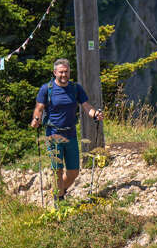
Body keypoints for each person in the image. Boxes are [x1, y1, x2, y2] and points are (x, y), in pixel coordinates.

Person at [30, 58, 103, 203]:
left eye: (66, 72)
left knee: (74, 172)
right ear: (55, 72)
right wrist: (36, 119)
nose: (64, 75)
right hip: (53, 134)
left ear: (69, 72)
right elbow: (39, 108)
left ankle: (58, 191)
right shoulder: (47, 89)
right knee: (57, 170)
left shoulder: (76, 88)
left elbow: (86, 106)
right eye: (61, 72)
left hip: (70, 133)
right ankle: (59, 200)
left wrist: (95, 114)